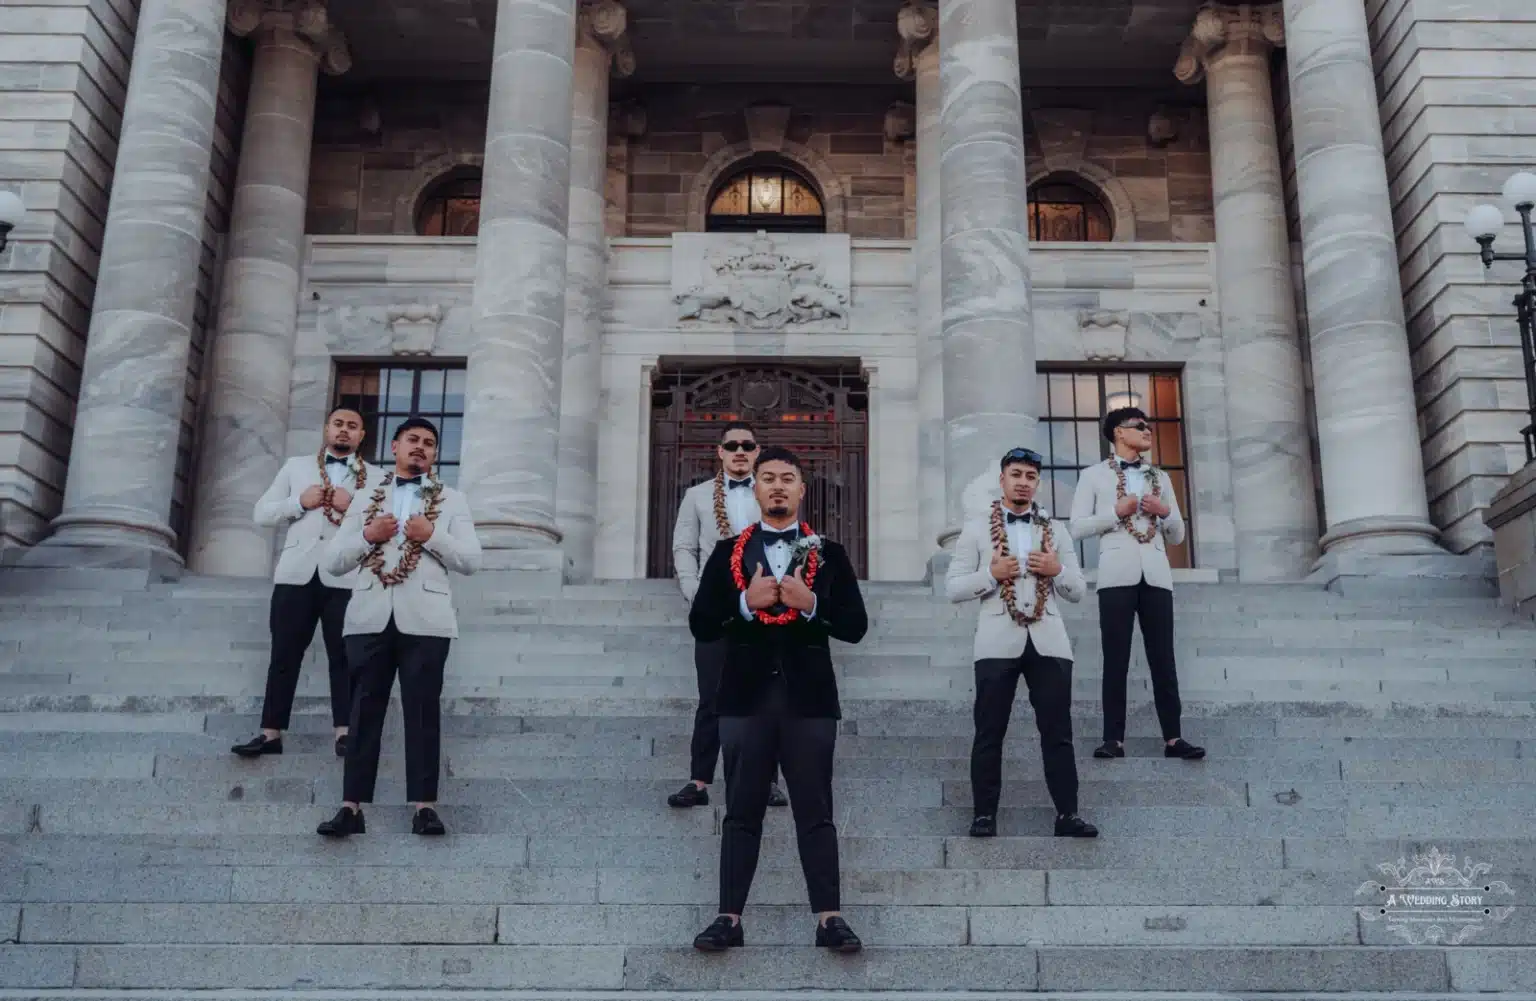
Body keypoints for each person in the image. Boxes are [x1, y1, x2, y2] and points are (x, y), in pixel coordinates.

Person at [687, 446, 867, 954]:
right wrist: (747, 603)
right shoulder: (727, 553)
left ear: (802, 489)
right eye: (768, 478)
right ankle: (729, 917)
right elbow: (701, 623)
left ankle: (829, 917)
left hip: (809, 699)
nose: (778, 486)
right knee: (741, 811)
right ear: (757, 489)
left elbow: (856, 626)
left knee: (816, 810)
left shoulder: (829, 553)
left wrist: (812, 605)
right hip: (744, 699)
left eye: (788, 477)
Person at [315, 417, 482, 838]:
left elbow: (471, 560)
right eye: (412, 440)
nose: (420, 447)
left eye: (429, 442)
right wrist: (368, 535)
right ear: (394, 447)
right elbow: (332, 562)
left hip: (427, 622)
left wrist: (432, 536)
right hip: (369, 618)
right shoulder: (365, 497)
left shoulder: (454, 500)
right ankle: (351, 806)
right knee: (363, 711)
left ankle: (424, 805)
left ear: (435, 454)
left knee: (422, 712)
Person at [947, 447, 1098, 839]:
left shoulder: (1056, 529)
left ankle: (1067, 814)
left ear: (1037, 483)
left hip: (1049, 642)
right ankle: (984, 815)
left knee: (1058, 732)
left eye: (1030, 476)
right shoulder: (977, 528)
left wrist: (1058, 569)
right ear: (1003, 480)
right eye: (1016, 474)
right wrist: (991, 573)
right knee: (989, 732)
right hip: (997, 642)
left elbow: (1078, 590)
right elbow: (953, 587)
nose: (1023, 482)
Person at [232, 407, 376, 760]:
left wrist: (352, 505)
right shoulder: (296, 468)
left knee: (344, 657)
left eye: (352, 427)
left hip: (345, 578)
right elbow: (261, 513)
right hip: (295, 575)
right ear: (327, 428)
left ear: (362, 436)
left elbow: (384, 526)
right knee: (284, 654)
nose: (344, 431)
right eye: (339, 424)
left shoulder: (376, 477)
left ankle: (344, 733)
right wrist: (299, 501)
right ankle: (270, 733)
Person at [1069, 407, 1205, 761]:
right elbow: (1076, 527)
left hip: (1157, 576)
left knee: (1164, 658)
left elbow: (1177, 535)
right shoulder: (1094, 476)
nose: (1148, 430)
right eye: (1139, 426)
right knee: (1116, 658)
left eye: (1149, 425)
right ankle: (1113, 738)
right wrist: (1117, 511)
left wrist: (1164, 512)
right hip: (1115, 576)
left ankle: (1173, 738)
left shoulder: (1161, 477)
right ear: (1118, 433)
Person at [668, 422, 786, 810]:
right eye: (731, 445)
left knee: (763, 695)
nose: (739, 451)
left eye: (747, 445)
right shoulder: (698, 496)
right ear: (720, 451)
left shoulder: (771, 492)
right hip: (715, 607)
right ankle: (699, 781)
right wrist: (693, 590)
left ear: (756, 452)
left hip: (764, 605)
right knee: (711, 696)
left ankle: (767, 781)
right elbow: (683, 545)